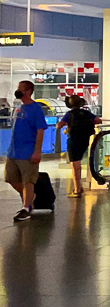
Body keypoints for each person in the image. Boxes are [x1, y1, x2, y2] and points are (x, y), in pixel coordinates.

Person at [7, 81, 48, 223]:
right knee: (11, 179)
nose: (18, 91)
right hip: (13, 151)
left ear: (29, 91)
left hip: (27, 152)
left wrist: (37, 151)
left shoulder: (36, 109)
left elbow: (40, 131)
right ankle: (30, 198)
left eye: (21, 89)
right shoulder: (18, 107)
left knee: (28, 181)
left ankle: (26, 207)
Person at [55, 96, 100, 197]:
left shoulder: (69, 114)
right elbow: (98, 120)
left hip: (73, 140)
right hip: (85, 140)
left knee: (75, 165)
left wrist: (63, 124)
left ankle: (77, 189)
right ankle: (78, 187)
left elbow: (59, 125)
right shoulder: (86, 113)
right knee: (78, 162)